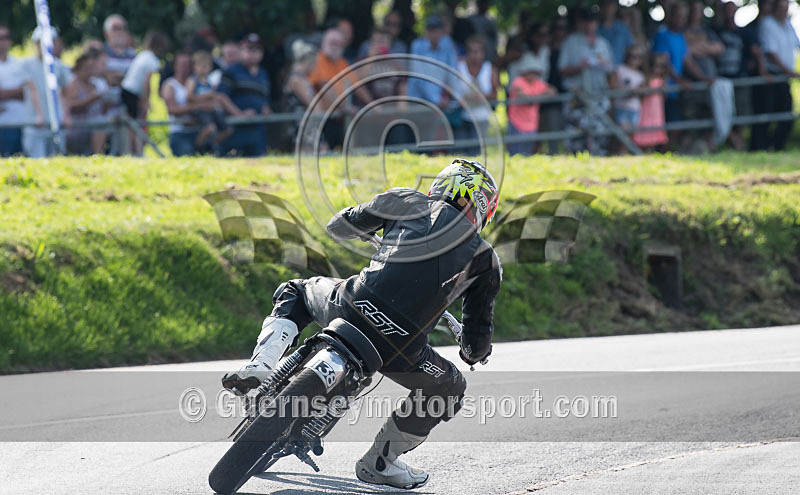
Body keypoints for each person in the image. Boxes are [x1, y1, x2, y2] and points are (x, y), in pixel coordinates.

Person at [222, 158, 501, 490]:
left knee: (295, 290)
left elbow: (339, 226)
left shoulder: (404, 199)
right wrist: (471, 353)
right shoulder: (485, 259)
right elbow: (476, 342)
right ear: (483, 207)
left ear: (443, 183)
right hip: (401, 349)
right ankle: (381, 462)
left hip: (349, 307)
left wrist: (375, 230)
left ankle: (262, 364)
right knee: (450, 387)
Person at [559, 9, 615, 154]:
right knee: (575, 132)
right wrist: (580, 66)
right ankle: (574, 157)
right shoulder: (570, 42)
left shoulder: (603, 44)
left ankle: (599, 156)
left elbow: (610, 69)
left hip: (598, 95)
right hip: (577, 95)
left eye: (592, 22)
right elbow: (562, 69)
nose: (589, 25)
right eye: (586, 22)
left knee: (600, 131)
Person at [308, 28, 373, 149]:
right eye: (332, 42)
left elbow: (357, 86)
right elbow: (324, 88)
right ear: (323, 43)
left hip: (340, 118)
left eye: (338, 44)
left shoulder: (341, 62)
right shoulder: (317, 61)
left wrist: (372, 104)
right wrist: (345, 107)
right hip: (324, 118)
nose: (335, 46)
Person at [217, 33, 272, 157]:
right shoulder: (231, 70)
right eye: (249, 48)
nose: (253, 52)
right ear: (241, 50)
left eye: (257, 49)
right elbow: (221, 96)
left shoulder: (263, 74)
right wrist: (239, 114)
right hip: (235, 130)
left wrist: (266, 109)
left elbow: (264, 99)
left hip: (257, 131)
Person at [20, 27, 71, 158]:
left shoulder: (59, 65)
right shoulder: (27, 65)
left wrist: (66, 114)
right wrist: (39, 115)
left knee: (57, 158)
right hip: (35, 123)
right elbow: (32, 89)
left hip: (57, 121)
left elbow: (65, 92)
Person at [755, 0, 799, 151]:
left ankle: (777, 146)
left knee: (786, 115)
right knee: (766, 114)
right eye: (781, 8)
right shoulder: (767, 24)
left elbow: (796, 44)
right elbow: (770, 53)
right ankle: (762, 147)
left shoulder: (788, 25)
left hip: (784, 77)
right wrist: (789, 71)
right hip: (772, 76)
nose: (784, 11)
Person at [185, 50, 241, 152]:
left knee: (227, 130)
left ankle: (209, 146)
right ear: (195, 67)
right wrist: (207, 97)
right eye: (201, 66)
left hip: (210, 110)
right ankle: (195, 150)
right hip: (199, 110)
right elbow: (189, 97)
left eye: (206, 66)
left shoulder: (209, 81)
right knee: (210, 128)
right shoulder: (192, 80)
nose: (204, 69)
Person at [455, 36, 498, 156]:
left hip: (482, 118)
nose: (474, 55)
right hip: (461, 117)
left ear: (483, 53)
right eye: (471, 51)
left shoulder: (490, 69)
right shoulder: (459, 67)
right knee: (460, 153)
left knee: (476, 153)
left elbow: (495, 94)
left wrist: (480, 97)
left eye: (478, 51)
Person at [507, 54, 556, 156]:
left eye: (535, 72)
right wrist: (538, 97)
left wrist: (534, 98)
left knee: (528, 153)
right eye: (531, 71)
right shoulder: (518, 81)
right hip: (516, 124)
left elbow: (552, 91)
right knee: (515, 154)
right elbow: (523, 97)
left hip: (531, 125)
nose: (533, 75)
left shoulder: (538, 83)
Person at [407, 16, 458, 108]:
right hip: (418, 101)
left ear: (442, 32)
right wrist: (436, 99)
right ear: (426, 32)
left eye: (436, 31)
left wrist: (457, 98)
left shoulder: (447, 44)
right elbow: (420, 77)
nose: (433, 34)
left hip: (440, 102)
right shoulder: (417, 46)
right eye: (430, 30)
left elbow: (452, 72)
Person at [65, 50, 109, 155]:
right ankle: (97, 154)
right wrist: (92, 99)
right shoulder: (73, 84)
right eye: (88, 68)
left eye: (92, 68)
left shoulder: (95, 84)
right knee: (100, 122)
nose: (90, 71)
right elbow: (71, 106)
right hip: (77, 127)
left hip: (91, 127)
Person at [159, 51, 197, 156]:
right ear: (174, 66)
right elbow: (172, 110)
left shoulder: (195, 82)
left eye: (188, 65)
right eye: (182, 64)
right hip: (179, 132)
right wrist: (195, 107)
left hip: (197, 130)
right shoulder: (169, 85)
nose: (185, 68)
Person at [0, 24, 28, 156]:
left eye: (5, 37)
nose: (2, 41)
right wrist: (17, 92)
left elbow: (27, 91)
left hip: (22, 123)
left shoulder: (19, 64)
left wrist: (5, 94)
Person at [634, 52, 669, 151]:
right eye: (656, 65)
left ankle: (651, 150)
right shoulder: (646, 79)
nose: (658, 69)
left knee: (655, 129)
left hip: (657, 110)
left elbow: (664, 96)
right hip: (646, 110)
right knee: (645, 129)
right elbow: (640, 91)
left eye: (661, 66)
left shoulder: (662, 80)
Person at [613, 45, 646, 133]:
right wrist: (627, 92)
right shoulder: (619, 69)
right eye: (632, 56)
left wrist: (637, 91)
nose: (634, 59)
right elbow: (613, 86)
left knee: (630, 136)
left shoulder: (641, 75)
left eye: (638, 57)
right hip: (621, 107)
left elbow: (642, 92)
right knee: (621, 135)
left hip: (634, 108)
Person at [598, 0, 634, 66]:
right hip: (598, 69)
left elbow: (630, 50)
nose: (608, 8)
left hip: (619, 69)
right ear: (601, 7)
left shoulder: (623, 29)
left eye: (610, 5)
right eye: (605, 4)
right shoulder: (594, 29)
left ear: (615, 7)